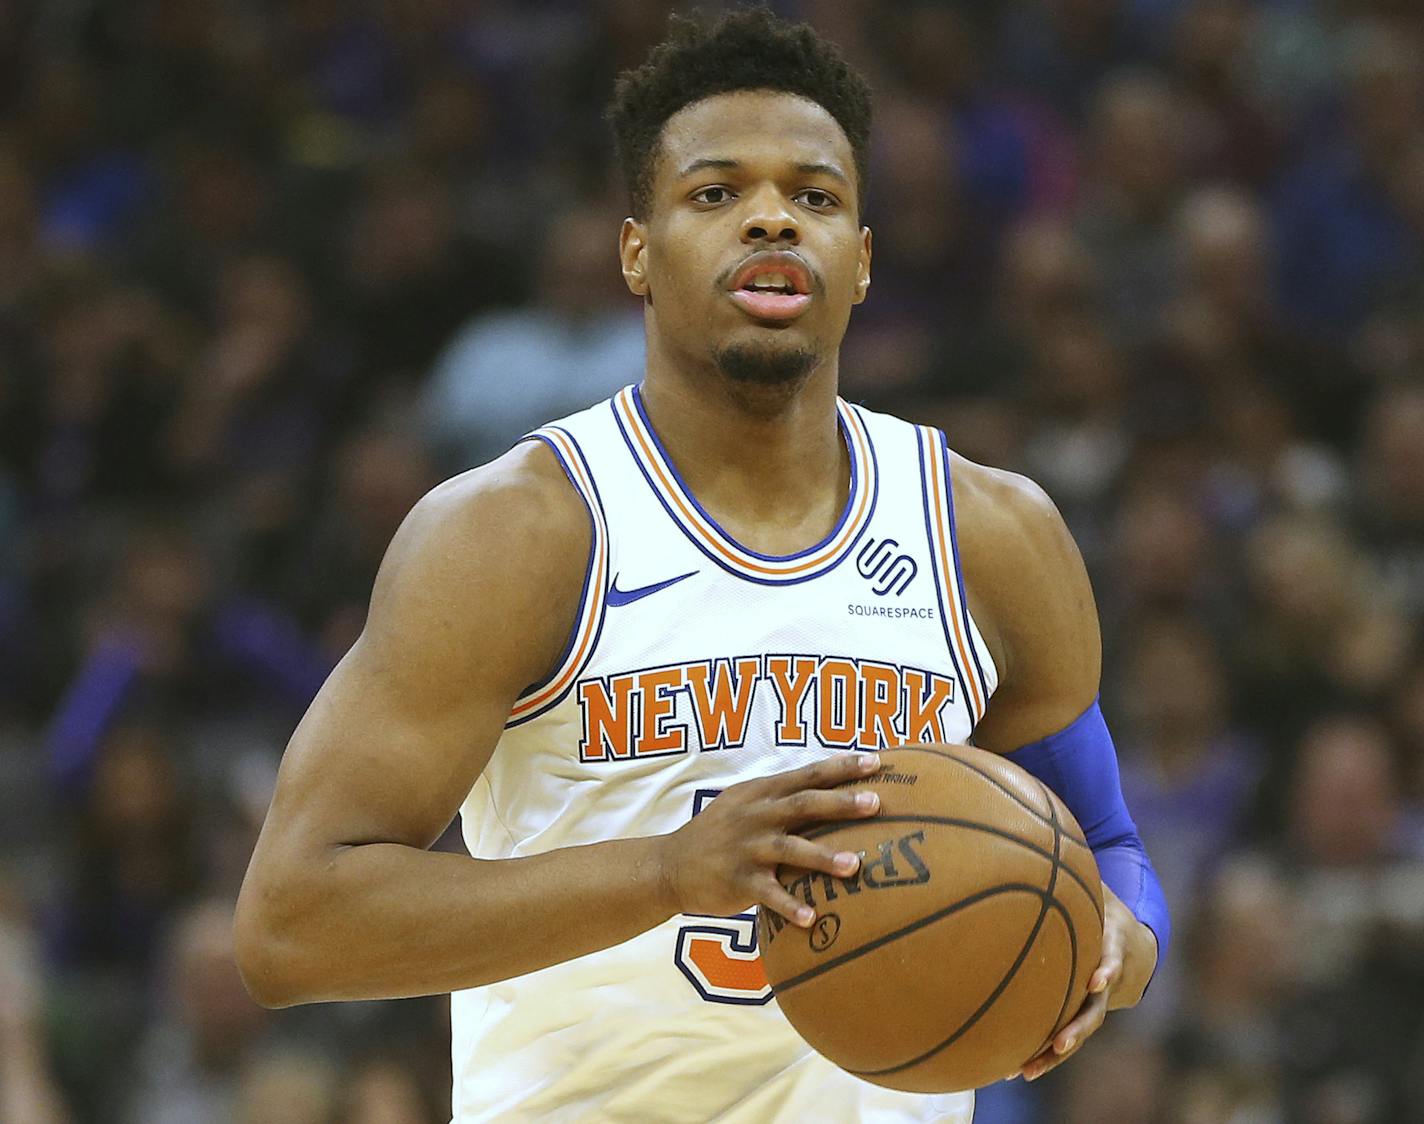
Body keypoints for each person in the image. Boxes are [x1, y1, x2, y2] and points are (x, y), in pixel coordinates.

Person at [234, 10, 1169, 1122]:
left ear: (861, 261)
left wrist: (1108, 940)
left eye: (814, 197)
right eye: (715, 193)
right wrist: (670, 872)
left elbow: (1107, 843)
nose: (772, 217)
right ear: (636, 248)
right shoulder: (518, 534)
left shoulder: (989, 534)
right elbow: (290, 923)